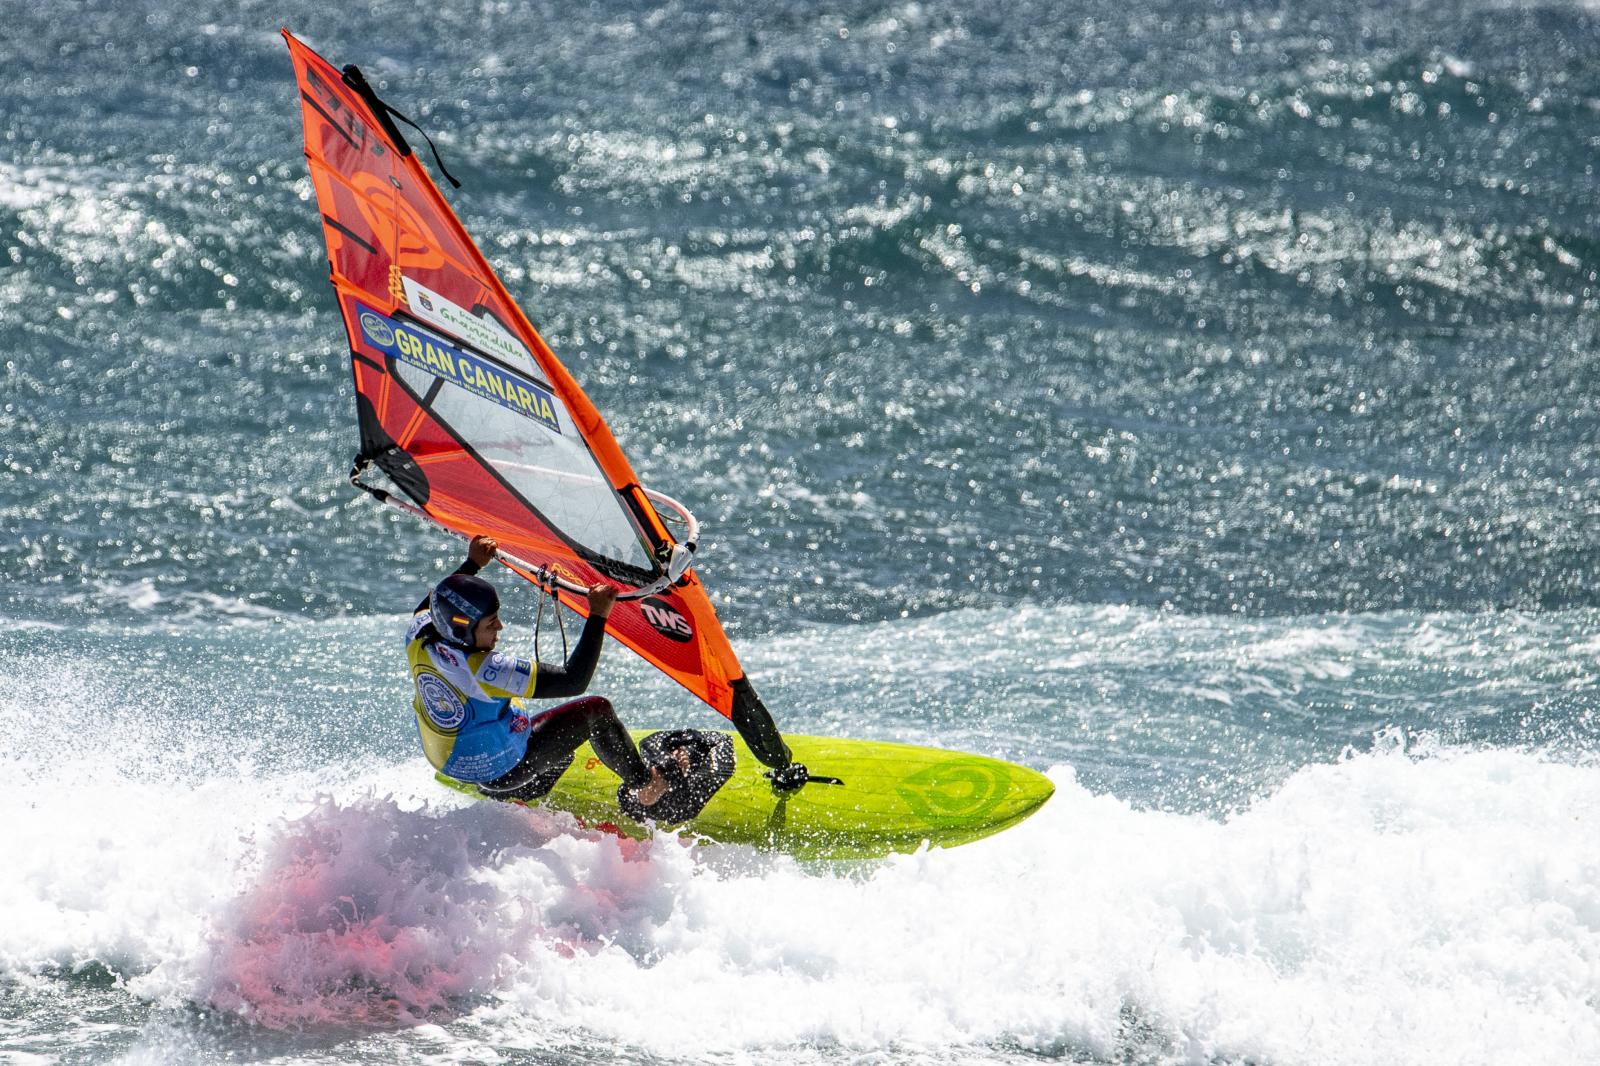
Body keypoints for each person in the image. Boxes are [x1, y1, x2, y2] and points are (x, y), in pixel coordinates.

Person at [405, 533, 671, 808]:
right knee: (596, 710)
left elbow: (431, 605)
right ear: (462, 630)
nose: (499, 628)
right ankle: (647, 786)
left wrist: (472, 564)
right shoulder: (484, 671)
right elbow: (574, 681)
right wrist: (598, 615)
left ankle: (532, 789)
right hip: (502, 772)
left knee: (521, 717)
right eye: (490, 624)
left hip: (445, 760)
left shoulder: (418, 635)